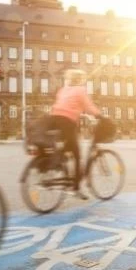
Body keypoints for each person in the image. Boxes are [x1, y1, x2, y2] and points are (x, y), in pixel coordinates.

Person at [47, 69, 102, 200]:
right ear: (80, 80)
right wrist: (100, 115)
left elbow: (66, 106)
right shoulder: (80, 90)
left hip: (54, 120)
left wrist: (79, 113)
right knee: (77, 155)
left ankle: (57, 162)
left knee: (67, 148)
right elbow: (88, 107)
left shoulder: (63, 90)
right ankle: (76, 188)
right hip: (67, 122)